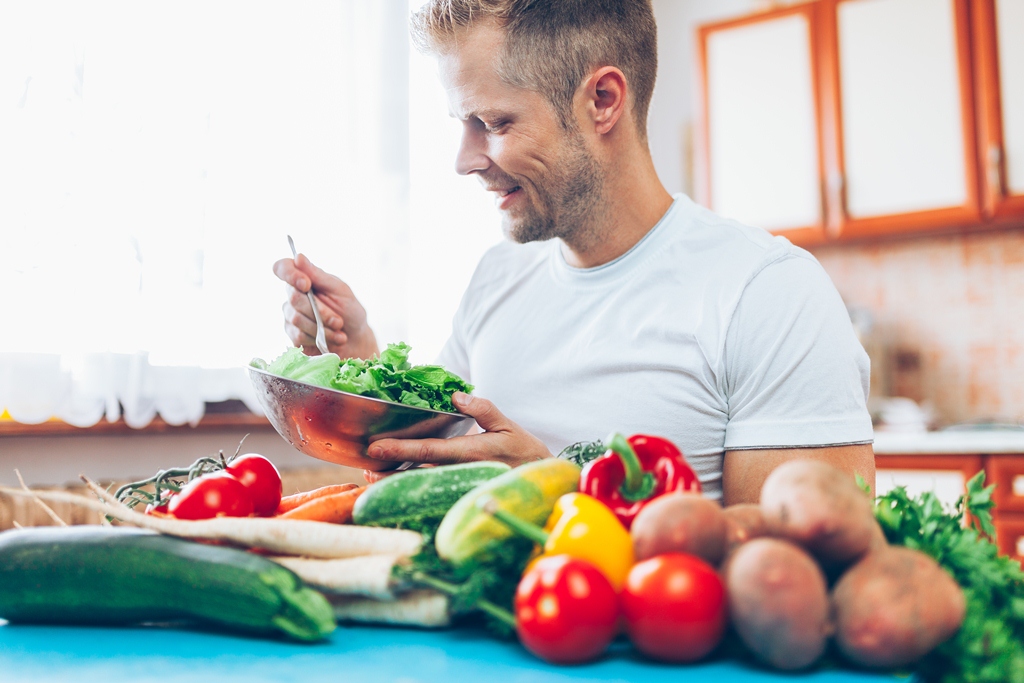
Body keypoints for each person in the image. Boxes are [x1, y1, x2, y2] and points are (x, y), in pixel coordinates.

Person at [273, 0, 875, 504]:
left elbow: (794, 571)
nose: (465, 159)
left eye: (495, 122)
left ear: (603, 100)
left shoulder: (768, 294)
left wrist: (555, 494)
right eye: (463, 122)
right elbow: (427, 467)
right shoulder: (496, 278)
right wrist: (361, 365)